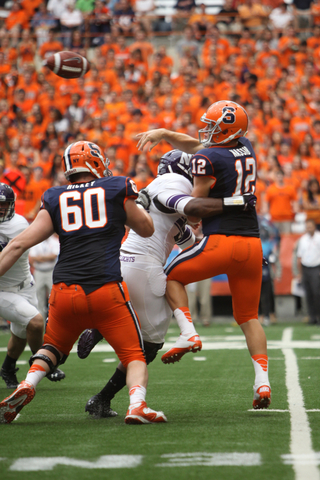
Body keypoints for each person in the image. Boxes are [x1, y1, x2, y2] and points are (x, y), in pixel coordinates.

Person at [77, 149, 256, 418]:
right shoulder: (176, 184)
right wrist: (234, 202)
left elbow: (184, 239)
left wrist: (192, 230)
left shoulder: (156, 187)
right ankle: (103, 397)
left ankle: (100, 329)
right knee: (148, 346)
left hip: (125, 260)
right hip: (144, 265)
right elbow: (192, 207)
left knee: (137, 319)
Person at [0, 141, 166, 425]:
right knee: (134, 353)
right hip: (106, 290)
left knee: (52, 347)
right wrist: (139, 206)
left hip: (64, 292)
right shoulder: (116, 187)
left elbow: (17, 245)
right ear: (95, 162)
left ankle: (28, 383)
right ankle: (137, 405)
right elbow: (147, 229)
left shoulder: (54, 196)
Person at [135, 100, 271, 410]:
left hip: (221, 241)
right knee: (249, 318)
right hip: (252, 245)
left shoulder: (208, 157)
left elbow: (195, 209)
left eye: (213, 127)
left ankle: (189, 334)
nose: (207, 132)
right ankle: (262, 381)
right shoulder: (244, 146)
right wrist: (167, 132)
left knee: (171, 278)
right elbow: (201, 145)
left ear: (226, 131)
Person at [0, 183, 65, 389]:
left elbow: (13, 254)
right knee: (36, 322)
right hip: (3, 289)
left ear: (12, 205)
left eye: (5, 204)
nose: (1, 208)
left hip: (26, 284)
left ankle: (8, 368)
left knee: (20, 334)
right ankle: (45, 364)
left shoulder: (18, 223)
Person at [28, 234, 60, 322]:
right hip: (39, 271)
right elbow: (33, 257)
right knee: (39, 297)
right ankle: (40, 322)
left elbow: (54, 256)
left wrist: (40, 258)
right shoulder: (36, 241)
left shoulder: (54, 241)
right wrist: (46, 257)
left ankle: (54, 321)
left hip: (51, 271)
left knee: (53, 296)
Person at [296, 219, 320, 325]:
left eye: (310, 226)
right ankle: (312, 317)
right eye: (307, 227)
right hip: (306, 268)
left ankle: (318, 316)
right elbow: (299, 257)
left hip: (316, 267)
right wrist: (300, 273)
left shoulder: (319, 237)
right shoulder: (303, 239)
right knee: (308, 293)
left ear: (314, 227)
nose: (309, 229)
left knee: (317, 293)